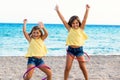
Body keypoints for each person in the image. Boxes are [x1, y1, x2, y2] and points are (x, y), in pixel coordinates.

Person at [55, 4, 90, 80]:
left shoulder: (81, 29)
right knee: (67, 67)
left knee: (82, 67)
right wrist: (57, 10)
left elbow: (84, 19)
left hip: (79, 50)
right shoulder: (69, 29)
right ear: (71, 24)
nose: (75, 25)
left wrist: (87, 10)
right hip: (70, 50)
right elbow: (63, 20)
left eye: (76, 23)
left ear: (79, 23)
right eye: (73, 23)